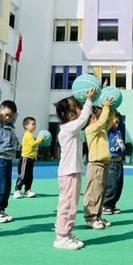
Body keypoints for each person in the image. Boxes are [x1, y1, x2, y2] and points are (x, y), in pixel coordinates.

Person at [53, 88, 96, 250]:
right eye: (78, 107)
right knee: (67, 205)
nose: (81, 108)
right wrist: (89, 100)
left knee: (72, 205)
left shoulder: (71, 128)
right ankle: (61, 237)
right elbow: (83, 118)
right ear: (71, 116)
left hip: (73, 172)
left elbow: (84, 120)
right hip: (68, 173)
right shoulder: (68, 129)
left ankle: (67, 233)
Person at [83, 99, 114, 229]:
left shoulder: (101, 130)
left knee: (100, 192)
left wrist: (112, 110)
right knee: (93, 192)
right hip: (95, 165)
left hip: (103, 165)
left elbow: (108, 122)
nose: (100, 119)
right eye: (98, 116)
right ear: (91, 119)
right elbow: (102, 122)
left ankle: (97, 216)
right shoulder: (90, 129)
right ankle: (90, 218)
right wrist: (106, 108)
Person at [14, 116, 45, 199]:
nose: (34, 126)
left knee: (29, 176)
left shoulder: (31, 135)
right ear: (26, 126)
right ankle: (17, 190)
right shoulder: (27, 134)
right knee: (23, 175)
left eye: (35, 124)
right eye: (32, 124)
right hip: (25, 158)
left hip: (31, 158)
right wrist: (39, 140)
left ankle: (28, 190)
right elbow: (32, 144)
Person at [102, 114, 125, 215]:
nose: (116, 124)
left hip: (119, 161)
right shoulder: (107, 131)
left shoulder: (119, 130)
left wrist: (116, 114)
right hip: (111, 162)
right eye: (114, 122)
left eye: (117, 122)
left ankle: (112, 205)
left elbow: (121, 121)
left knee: (118, 185)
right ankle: (106, 205)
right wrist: (109, 112)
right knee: (111, 184)